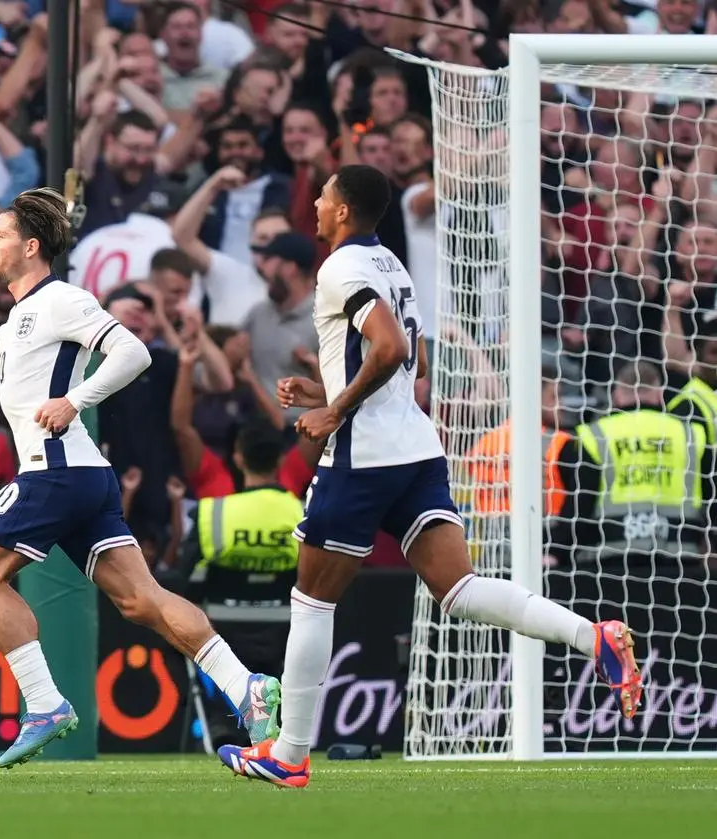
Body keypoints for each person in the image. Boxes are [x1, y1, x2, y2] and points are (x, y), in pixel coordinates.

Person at [217, 165, 643, 789]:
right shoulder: (390, 263)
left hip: (363, 457)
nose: (314, 200)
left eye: (324, 193)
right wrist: (324, 387)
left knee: (311, 600)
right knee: (460, 588)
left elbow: (389, 349)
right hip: (415, 447)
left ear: (342, 211)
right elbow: (405, 362)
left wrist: (335, 408)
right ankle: (593, 637)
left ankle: (289, 751)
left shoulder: (341, 267)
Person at [0, 188, 283, 770]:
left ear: (30, 246)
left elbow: (133, 353)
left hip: (54, 470)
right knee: (140, 600)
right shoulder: (23, 313)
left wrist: (75, 400)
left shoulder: (61, 300)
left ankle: (46, 705)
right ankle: (245, 687)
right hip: (82, 476)